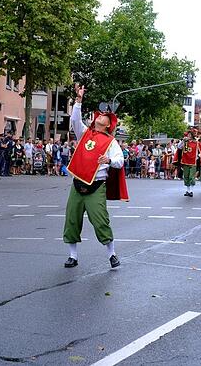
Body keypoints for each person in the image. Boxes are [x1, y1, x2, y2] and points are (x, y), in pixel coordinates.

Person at [62, 83, 127, 269]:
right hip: (78, 183)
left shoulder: (110, 142)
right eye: (100, 115)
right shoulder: (84, 133)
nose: (100, 116)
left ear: (108, 125)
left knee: (100, 221)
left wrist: (108, 160)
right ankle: (72, 256)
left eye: (104, 116)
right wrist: (78, 100)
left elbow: (120, 161)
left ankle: (112, 254)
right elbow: (75, 120)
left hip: (96, 185)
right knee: (72, 219)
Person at [179, 129, 199, 196]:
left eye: (190, 135)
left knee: (191, 176)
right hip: (185, 161)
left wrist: (197, 157)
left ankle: (191, 191)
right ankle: (188, 190)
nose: (189, 136)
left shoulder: (196, 142)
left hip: (193, 162)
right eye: (188, 135)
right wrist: (182, 141)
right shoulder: (185, 142)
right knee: (186, 176)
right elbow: (179, 147)